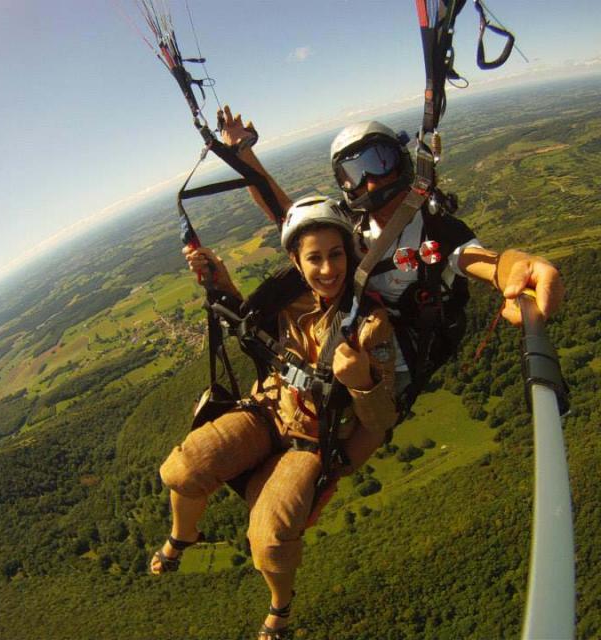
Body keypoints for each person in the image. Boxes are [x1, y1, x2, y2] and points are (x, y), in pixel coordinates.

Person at [151, 197, 397, 639]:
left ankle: (280, 605)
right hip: (267, 410)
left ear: (350, 253)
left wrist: (360, 379)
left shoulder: (369, 324)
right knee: (181, 468)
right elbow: (250, 332)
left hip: (312, 438)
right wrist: (220, 280)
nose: (327, 269)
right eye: (315, 258)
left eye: (336, 254)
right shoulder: (286, 297)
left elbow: (380, 419)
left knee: (267, 540)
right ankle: (182, 535)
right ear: (297, 261)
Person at [216, 105, 565, 403]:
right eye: (353, 173)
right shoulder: (351, 223)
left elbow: (485, 262)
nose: (369, 181)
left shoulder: (437, 231)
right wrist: (243, 153)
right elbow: (288, 215)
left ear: (400, 163)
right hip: (350, 336)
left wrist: (521, 266)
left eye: (378, 161)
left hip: (395, 361)